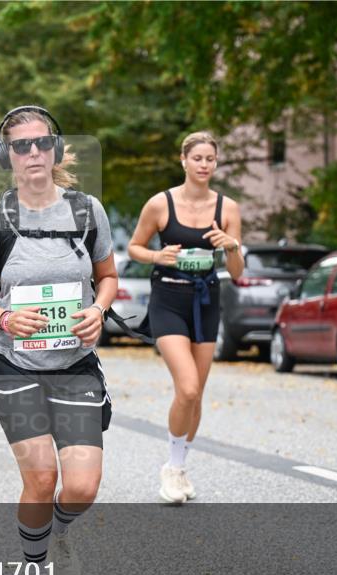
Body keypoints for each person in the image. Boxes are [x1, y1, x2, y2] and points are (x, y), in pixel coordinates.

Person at [0, 105, 118, 575]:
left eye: (41, 143)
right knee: (41, 476)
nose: (33, 153)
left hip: (74, 366)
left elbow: (108, 276)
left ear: (55, 149)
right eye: (20, 145)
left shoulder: (85, 210)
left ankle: (59, 535)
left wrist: (97, 309)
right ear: (5, 155)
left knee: (81, 486)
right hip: (15, 367)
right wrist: (4, 319)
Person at [127, 131, 244, 505]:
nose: (204, 165)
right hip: (168, 300)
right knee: (188, 387)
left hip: (207, 300)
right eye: (198, 158)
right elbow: (134, 246)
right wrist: (156, 256)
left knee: (197, 397)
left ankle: (179, 466)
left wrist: (233, 246)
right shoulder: (160, 205)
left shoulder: (228, 208)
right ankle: (171, 470)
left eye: (210, 158)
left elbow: (238, 272)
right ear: (184, 161)